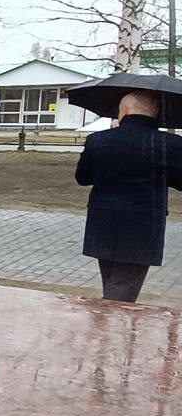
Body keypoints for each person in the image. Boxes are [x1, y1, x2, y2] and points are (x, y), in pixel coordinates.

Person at [75, 90, 182, 302]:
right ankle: (109, 322)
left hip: (102, 222)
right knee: (120, 293)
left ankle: (109, 320)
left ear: (123, 111)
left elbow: (83, 178)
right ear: (155, 112)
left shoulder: (97, 140)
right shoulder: (170, 144)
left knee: (113, 283)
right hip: (143, 226)